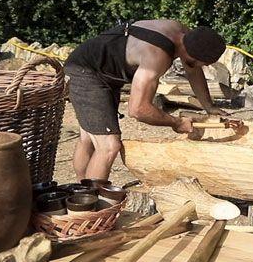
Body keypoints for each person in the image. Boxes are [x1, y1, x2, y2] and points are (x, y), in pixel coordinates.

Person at [64, 20, 228, 181]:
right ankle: (91, 203)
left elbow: (193, 70)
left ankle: (79, 194)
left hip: (96, 67)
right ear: (191, 56)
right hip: (85, 71)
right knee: (108, 146)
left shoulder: (182, 32)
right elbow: (138, 109)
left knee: (89, 138)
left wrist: (209, 106)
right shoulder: (157, 56)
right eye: (201, 63)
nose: (199, 67)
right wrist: (176, 122)